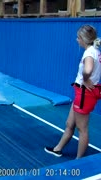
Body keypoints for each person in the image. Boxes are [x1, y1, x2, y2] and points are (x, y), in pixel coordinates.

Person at [44, 25, 101, 159]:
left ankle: (78, 160)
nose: (77, 40)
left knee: (82, 129)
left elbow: (87, 70)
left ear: (84, 39)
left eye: (78, 38)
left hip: (84, 94)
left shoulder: (89, 53)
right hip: (82, 93)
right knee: (70, 124)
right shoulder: (96, 51)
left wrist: (86, 80)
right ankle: (58, 149)